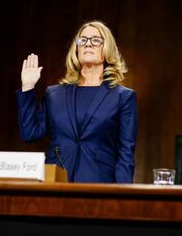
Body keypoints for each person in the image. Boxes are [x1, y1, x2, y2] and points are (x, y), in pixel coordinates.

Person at [16, 20, 137, 183]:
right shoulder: (54, 94)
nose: (88, 44)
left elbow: (125, 154)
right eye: (83, 40)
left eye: (96, 40)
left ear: (107, 49)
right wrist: (28, 87)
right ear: (76, 49)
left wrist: (123, 196)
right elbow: (30, 133)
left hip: (99, 183)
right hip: (56, 182)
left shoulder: (123, 97)